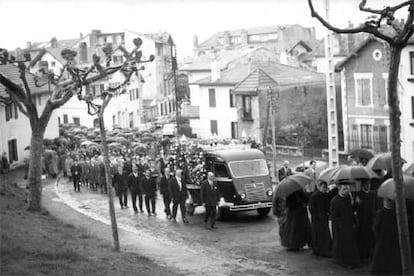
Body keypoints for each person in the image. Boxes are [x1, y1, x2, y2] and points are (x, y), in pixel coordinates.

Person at [330, 183, 360, 267]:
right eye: (345, 189)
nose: (347, 191)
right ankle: (344, 261)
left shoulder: (348, 198)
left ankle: (352, 261)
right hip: (341, 227)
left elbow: (351, 210)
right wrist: (340, 226)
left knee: (350, 244)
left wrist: (356, 204)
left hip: (349, 224)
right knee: (342, 245)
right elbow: (334, 216)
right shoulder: (335, 201)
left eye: (348, 189)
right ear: (340, 189)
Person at [371, 198, 402, 275]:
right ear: (383, 201)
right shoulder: (380, 213)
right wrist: (379, 237)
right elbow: (375, 227)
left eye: (390, 201)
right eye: (387, 201)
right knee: (380, 256)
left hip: (393, 238)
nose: (389, 202)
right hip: (383, 239)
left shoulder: (396, 212)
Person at [355, 180, 376, 263]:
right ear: (363, 185)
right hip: (362, 220)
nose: (368, 186)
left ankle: (371, 253)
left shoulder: (373, 194)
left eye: (369, 184)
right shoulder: (359, 194)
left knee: (371, 237)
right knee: (363, 237)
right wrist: (357, 203)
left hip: (371, 219)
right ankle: (364, 254)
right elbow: (356, 208)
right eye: (367, 184)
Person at [309, 181, 332, 257]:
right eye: (323, 187)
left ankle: (325, 249)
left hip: (324, 217)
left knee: (325, 234)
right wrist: (316, 215)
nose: (325, 189)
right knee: (318, 235)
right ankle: (318, 250)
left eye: (326, 187)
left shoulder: (325, 195)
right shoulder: (314, 196)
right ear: (319, 187)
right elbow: (311, 208)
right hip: (317, 219)